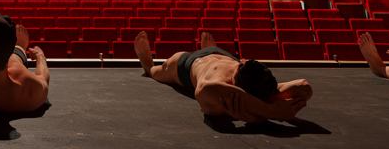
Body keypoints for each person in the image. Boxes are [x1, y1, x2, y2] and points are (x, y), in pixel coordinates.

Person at [134, 30, 313, 125]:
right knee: (155, 71)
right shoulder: (214, 84)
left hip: (223, 55)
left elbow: (303, 86)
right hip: (187, 63)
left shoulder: (248, 73)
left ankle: (209, 49)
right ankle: (146, 61)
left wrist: (263, 107)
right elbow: (203, 91)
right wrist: (270, 112)